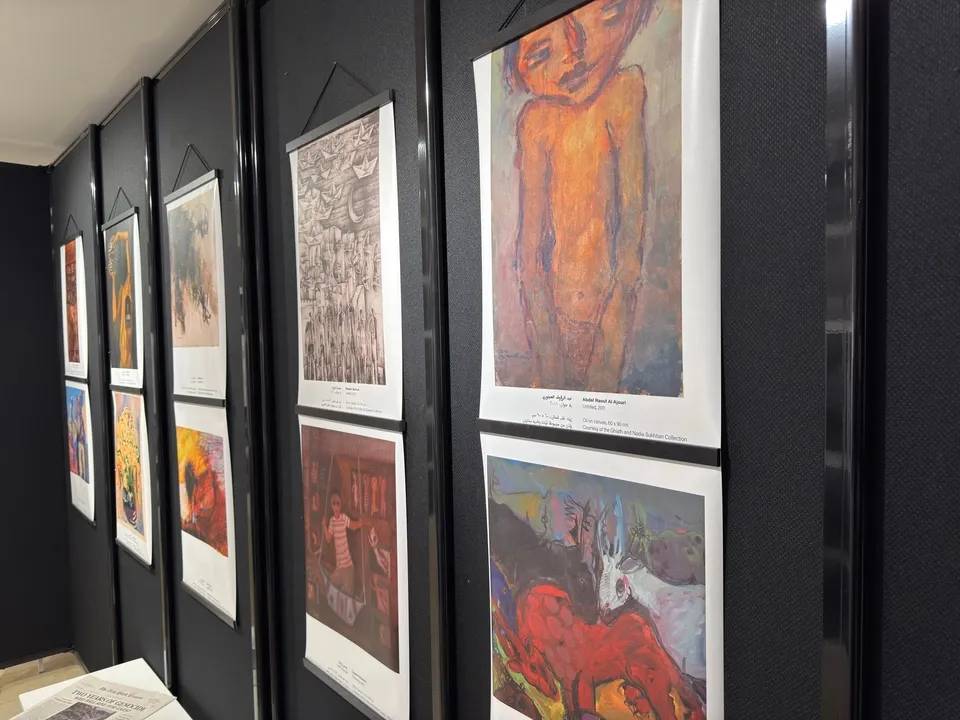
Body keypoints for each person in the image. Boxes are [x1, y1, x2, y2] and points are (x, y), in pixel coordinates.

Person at [506, 0, 654, 392]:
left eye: (609, 15)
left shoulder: (624, 93)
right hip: (553, 319)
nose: (572, 60)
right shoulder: (535, 122)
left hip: (610, 314)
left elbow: (631, 239)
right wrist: (548, 353)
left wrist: (610, 347)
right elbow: (529, 256)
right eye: (541, 55)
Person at [324, 492, 363, 595]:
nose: (336, 506)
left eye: (338, 503)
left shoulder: (343, 517)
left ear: (340, 505)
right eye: (334, 503)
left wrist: (361, 522)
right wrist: (324, 526)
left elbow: (353, 526)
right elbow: (328, 538)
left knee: (347, 596)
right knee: (329, 587)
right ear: (331, 506)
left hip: (348, 568)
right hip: (339, 569)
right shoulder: (332, 521)